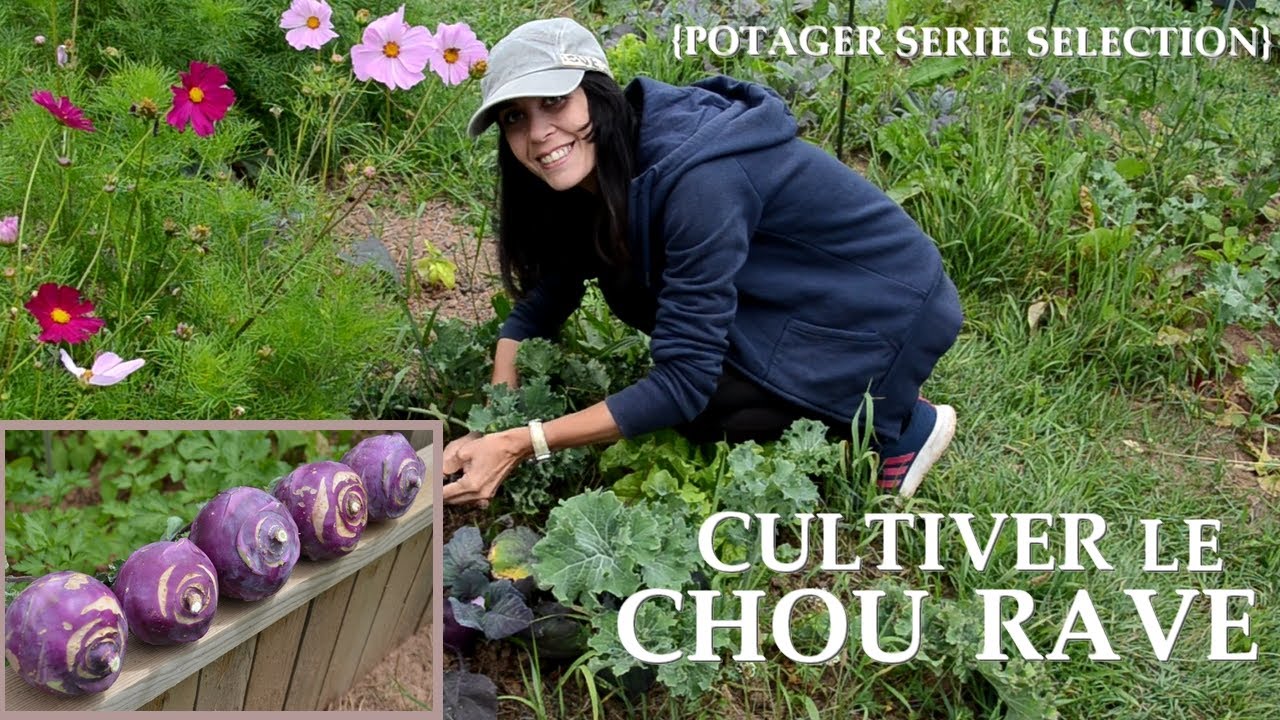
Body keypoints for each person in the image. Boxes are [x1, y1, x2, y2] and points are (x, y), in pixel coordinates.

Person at [441, 17, 963, 506]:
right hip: (800, 294)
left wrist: (525, 442)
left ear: (597, 94)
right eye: (515, 118)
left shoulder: (700, 180)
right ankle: (840, 394)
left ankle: (900, 426)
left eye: (555, 101)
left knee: (708, 407)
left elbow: (684, 381)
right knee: (692, 392)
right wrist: (493, 421)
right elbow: (538, 309)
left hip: (887, 301)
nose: (537, 134)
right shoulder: (590, 176)